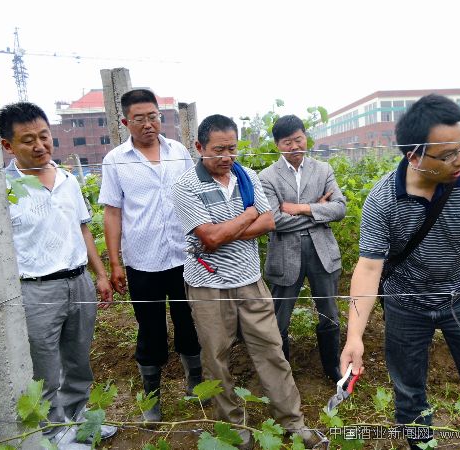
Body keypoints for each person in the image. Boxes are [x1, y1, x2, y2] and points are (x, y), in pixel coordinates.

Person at [339, 94, 460, 450]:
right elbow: (369, 267)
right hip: (405, 304)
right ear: (414, 156)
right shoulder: (383, 200)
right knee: (409, 395)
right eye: (447, 155)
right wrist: (355, 336)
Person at [172, 114, 323, 450]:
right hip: (208, 286)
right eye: (219, 150)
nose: (227, 157)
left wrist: (225, 230)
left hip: (250, 281)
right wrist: (248, 214)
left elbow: (268, 223)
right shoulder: (186, 185)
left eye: (232, 148)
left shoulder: (248, 176)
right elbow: (210, 238)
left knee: (272, 351)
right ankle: (234, 430)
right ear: (199, 147)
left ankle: (293, 422)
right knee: (216, 359)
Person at [0, 102, 117, 448]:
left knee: (78, 360)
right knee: (45, 368)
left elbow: (83, 229)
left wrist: (100, 274)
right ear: (8, 145)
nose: (40, 146)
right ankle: (52, 433)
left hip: (78, 282)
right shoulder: (2, 189)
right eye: (28, 140)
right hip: (35, 290)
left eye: (44, 136)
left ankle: (77, 420)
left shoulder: (67, 180)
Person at [98, 89, 202, 422]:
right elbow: (113, 212)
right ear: (125, 122)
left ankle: (195, 381)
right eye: (139, 118)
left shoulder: (179, 152)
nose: (148, 124)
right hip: (143, 261)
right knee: (150, 329)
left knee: (189, 322)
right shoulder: (115, 160)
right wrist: (115, 263)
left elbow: (194, 194)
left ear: (160, 117)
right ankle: (152, 397)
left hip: (185, 256)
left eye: (153, 117)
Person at [259, 115, 346, 382]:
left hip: (322, 253)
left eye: (298, 139)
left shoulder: (323, 169)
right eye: (287, 142)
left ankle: (332, 368)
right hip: (285, 256)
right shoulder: (267, 177)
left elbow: (339, 209)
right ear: (277, 145)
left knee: (329, 313)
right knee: (279, 317)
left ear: (305, 138)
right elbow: (274, 220)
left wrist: (300, 208)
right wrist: (319, 211)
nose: (295, 146)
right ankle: (282, 374)